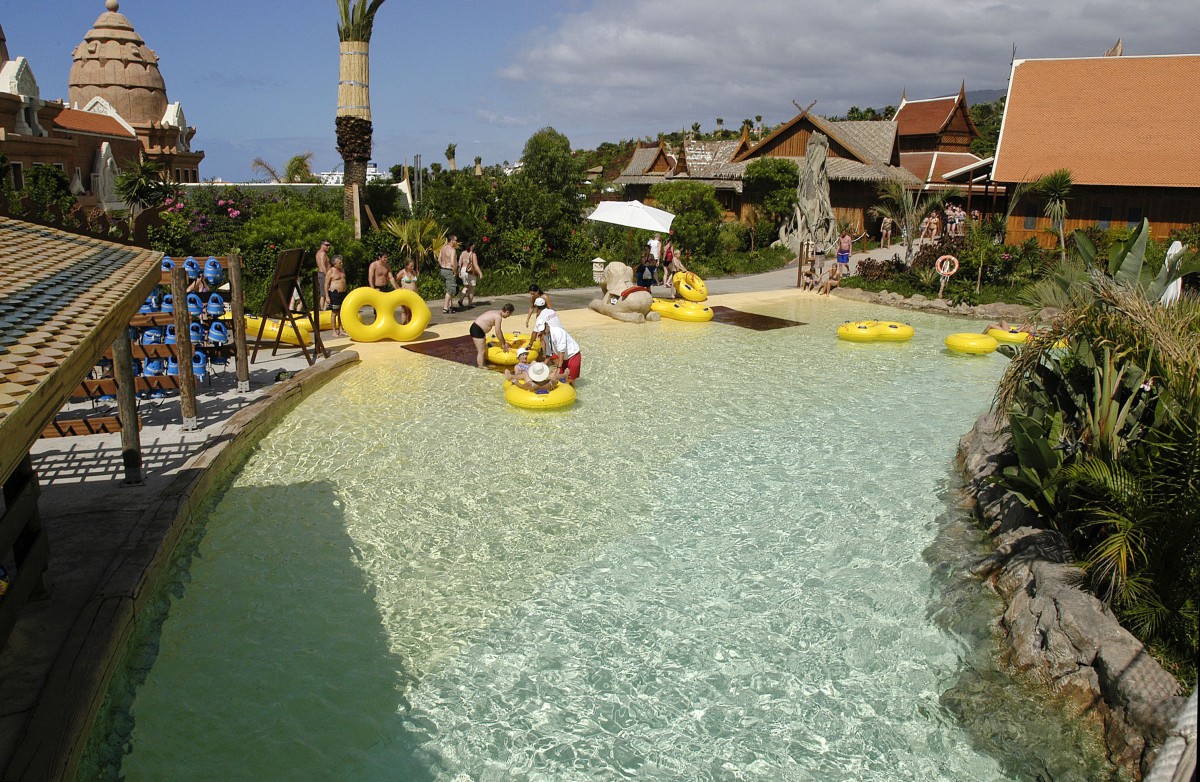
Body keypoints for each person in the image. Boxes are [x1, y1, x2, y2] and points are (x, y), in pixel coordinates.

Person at [470, 304, 514, 368]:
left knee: (483, 349)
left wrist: (504, 342)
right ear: (507, 312)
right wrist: (503, 344)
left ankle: (484, 364)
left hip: (478, 329)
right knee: (481, 351)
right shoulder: (498, 316)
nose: (508, 316)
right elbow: (498, 332)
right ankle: (480, 366)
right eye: (509, 315)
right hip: (477, 329)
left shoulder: (496, 312)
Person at [325, 256, 348, 336]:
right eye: (340, 263)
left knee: (341, 312)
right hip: (335, 293)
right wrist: (327, 297)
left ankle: (341, 329)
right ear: (334, 264)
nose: (342, 264)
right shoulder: (331, 271)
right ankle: (334, 331)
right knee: (334, 312)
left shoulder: (342, 270)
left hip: (343, 293)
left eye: (342, 262)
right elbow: (326, 285)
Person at [438, 235, 459, 313]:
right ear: (452, 240)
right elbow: (453, 262)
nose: (456, 242)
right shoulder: (452, 250)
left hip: (443, 270)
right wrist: (454, 271)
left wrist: (442, 266)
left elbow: (439, 259)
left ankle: (451, 306)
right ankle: (445, 308)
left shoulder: (443, 248)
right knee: (450, 290)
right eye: (456, 240)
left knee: (448, 287)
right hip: (449, 270)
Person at [457, 243, 482, 309]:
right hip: (469, 271)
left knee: (466, 286)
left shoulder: (463, 253)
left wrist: (459, 272)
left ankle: (461, 299)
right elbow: (475, 265)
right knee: (471, 288)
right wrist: (480, 273)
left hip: (463, 270)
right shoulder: (473, 254)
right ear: (471, 247)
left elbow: (459, 263)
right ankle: (470, 303)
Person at [315, 239, 332, 309]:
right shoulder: (322, 253)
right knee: (324, 293)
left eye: (329, 245)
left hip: (321, 274)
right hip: (323, 274)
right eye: (327, 245)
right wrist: (327, 275)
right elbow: (322, 265)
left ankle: (323, 309)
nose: (328, 247)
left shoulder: (319, 253)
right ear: (322, 245)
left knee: (324, 293)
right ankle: (323, 310)